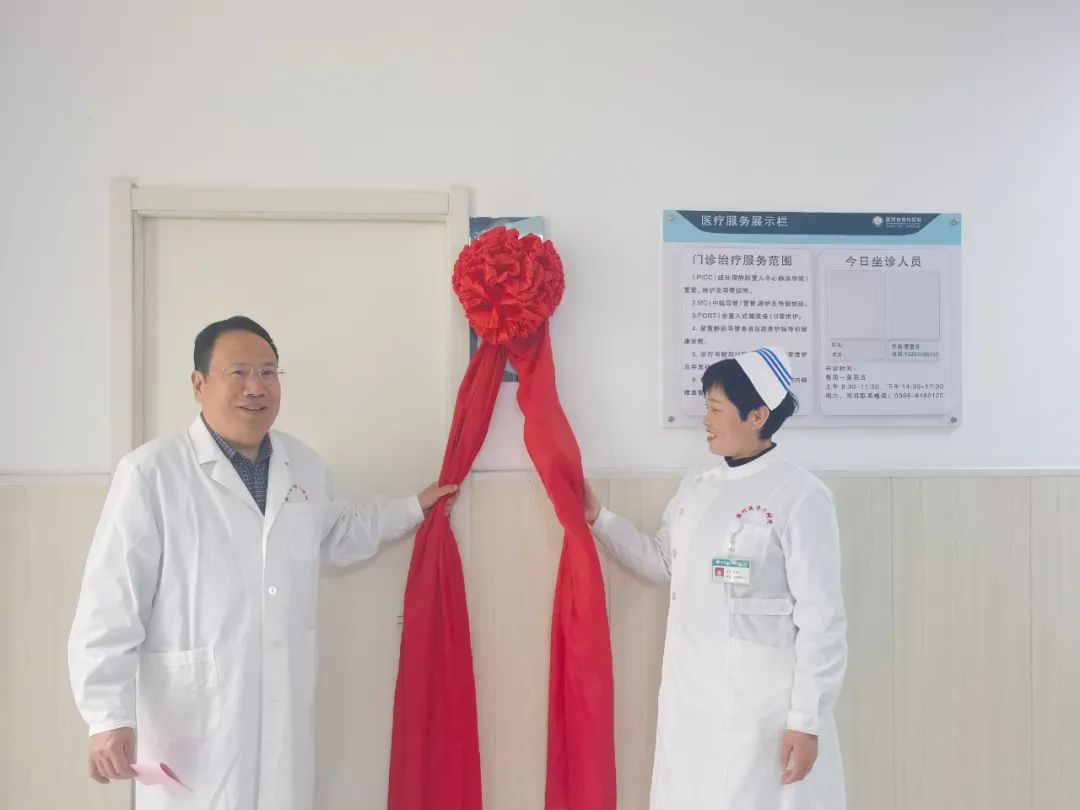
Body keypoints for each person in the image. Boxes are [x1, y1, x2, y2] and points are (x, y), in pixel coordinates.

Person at [68, 315, 457, 810]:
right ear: (199, 384)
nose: (256, 387)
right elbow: (110, 603)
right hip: (191, 728)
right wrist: (107, 717)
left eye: (268, 373)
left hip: (281, 719)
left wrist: (413, 508)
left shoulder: (303, 465)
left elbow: (337, 531)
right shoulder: (151, 473)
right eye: (238, 372)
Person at [585, 347, 847, 810]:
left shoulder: (801, 495)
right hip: (691, 698)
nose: (704, 420)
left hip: (762, 709)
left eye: (715, 409)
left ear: (757, 415)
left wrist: (806, 720)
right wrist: (598, 519)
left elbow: (822, 620)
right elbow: (661, 561)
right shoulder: (697, 487)